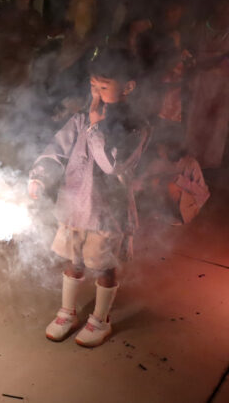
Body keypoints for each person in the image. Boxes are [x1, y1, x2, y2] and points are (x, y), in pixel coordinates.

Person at [28, 48, 150, 348]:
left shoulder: (135, 127)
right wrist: (39, 176)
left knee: (104, 265)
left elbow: (112, 164)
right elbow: (57, 148)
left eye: (104, 87)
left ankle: (100, 318)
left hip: (106, 212)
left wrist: (97, 126)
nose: (95, 94)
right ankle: (67, 312)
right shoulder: (80, 119)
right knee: (74, 260)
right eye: (93, 86)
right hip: (74, 207)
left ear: (128, 87)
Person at [184, 0, 229, 168]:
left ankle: (209, 166)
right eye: (223, 5)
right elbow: (190, 55)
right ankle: (190, 161)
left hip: (223, 87)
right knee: (195, 121)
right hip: (199, 84)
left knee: (218, 124)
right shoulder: (200, 28)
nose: (226, 10)